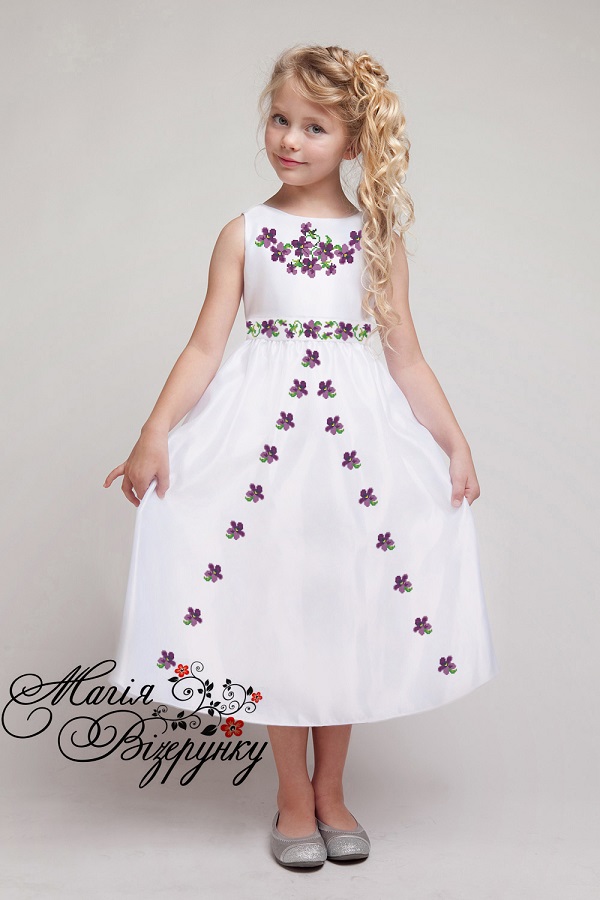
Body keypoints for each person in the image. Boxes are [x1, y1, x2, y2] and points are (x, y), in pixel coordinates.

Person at [104, 43, 499, 868]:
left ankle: (332, 791)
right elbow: (206, 347)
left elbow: (406, 358)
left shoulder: (375, 239)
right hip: (263, 453)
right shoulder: (244, 233)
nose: (290, 138)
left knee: (340, 605)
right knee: (277, 606)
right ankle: (291, 795)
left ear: (354, 140)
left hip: (353, 454)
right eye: (281, 120)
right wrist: (153, 432)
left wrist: (455, 441)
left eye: (314, 127)